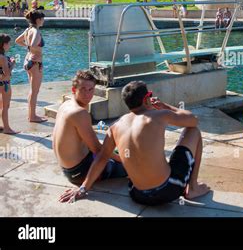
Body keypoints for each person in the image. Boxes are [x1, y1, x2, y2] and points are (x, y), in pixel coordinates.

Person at [59, 81, 210, 205]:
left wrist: (84, 188)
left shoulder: (115, 127)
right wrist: (166, 106)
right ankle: (193, 188)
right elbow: (193, 120)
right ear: (146, 99)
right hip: (168, 190)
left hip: (138, 195)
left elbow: (101, 157)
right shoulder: (159, 115)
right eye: (149, 96)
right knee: (193, 131)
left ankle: (184, 185)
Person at [53, 70, 127, 185]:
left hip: (69, 169)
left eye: (90, 89)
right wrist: (124, 161)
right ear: (74, 90)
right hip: (81, 172)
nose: (87, 94)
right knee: (134, 163)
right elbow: (97, 150)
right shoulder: (79, 113)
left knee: (120, 149)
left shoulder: (65, 105)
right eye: (83, 89)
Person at [15, 10, 48, 123]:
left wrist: (27, 46)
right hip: (35, 62)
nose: (43, 21)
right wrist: (30, 47)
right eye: (42, 19)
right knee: (34, 91)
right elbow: (33, 44)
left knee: (32, 91)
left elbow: (17, 41)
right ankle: (33, 116)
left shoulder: (27, 30)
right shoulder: (35, 31)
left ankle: (31, 115)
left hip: (28, 61)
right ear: (38, 20)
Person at [0, 34, 18, 134]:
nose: (9, 45)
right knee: (5, 106)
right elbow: (6, 74)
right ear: (3, 44)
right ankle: (7, 128)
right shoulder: (2, 57)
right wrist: (12, 64)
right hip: (4, 84)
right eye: (8, 43)